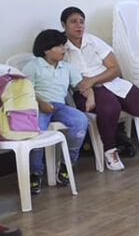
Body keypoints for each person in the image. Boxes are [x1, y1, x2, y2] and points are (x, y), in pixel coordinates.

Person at [61, 6, 139, 170]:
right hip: (84, 92)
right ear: (64, 25)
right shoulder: (62, 48)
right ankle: (110, 151)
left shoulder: (93, 41)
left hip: (111, 81)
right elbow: (74, 80)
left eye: (82, 22)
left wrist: (93, 79)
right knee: (110, 108)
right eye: (73, 22)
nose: (79, 25)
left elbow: (114, 68)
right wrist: (89, 87)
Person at [23, 29, 92, 194]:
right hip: (37, 105)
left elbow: (82, 85)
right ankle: (35, 172)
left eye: (63, 45)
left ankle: (66, 165)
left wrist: (91, 96)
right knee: (38, 131)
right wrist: (41, 102)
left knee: (80, 121)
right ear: (46, 50)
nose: (63, 49)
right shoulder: (33, 66)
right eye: (58, 46)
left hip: (59, 106)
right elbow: (24, 90)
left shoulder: (66, 67)